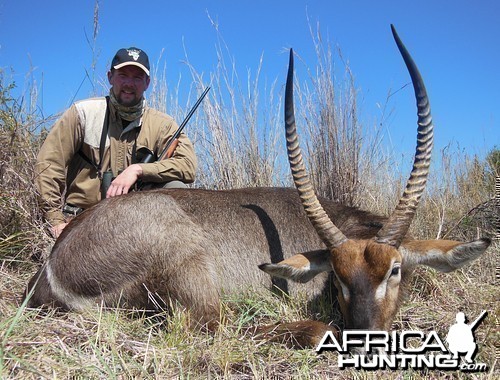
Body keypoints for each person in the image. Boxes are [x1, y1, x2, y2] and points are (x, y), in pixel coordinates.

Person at [35, 47, 197, 238]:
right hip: (83, 220)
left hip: (137, 223)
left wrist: (138, 170)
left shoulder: (163, 125)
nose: (129, 83)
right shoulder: (83, 114)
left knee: (176, 187)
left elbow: (188, 166)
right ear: (110, 77)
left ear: (147, 83)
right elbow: (49, 165)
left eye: (137, 77)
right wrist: (55, 221)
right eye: (123, 75)